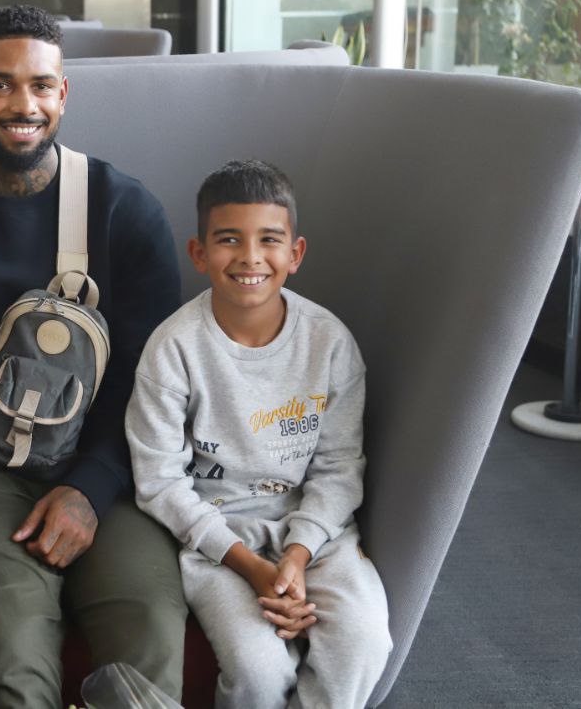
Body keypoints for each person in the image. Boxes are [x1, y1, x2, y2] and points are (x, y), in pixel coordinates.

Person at [0, 4, 188, 707]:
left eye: (41, 85)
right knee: (8, 644)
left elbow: (151, 383)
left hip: (107, 465)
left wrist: (91, 489)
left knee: (148, 629)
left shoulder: (124, 211)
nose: (24, 104)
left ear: (63, 93)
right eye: (0, 84)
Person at [124, 159, 392, 709]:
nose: (250, 257)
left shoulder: (330, 343)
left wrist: (296, 557)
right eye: (229, 239)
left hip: (319, 537)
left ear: (295, 253)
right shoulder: (172, 348)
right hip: (220, 542)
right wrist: (252, 567)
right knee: (258, 671)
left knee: (363, 644)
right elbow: (159, 481)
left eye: (269, 240)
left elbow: (340, 468)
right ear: (199, 253)